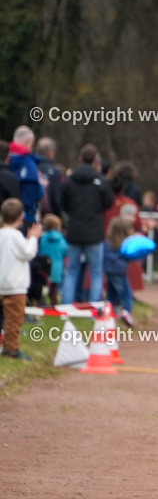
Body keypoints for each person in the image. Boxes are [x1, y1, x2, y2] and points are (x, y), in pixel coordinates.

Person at [59, 144, 115, 304]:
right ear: (95, 161)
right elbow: (109, 202)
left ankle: (66, 307)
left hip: (74, 230)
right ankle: (95, 308)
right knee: (96, 272)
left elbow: (63, 203)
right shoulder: (101, 181)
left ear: (80, 158)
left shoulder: (70, 180)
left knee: (71, 270)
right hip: (94, 232)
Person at [0, 198, 42, 360]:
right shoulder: (16, 235)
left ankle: (5, 345)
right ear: (21, 217)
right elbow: (28, 252)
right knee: (14, 319)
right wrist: (33, 238)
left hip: (2, 283)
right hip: (15, 285)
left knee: (5, 318)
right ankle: (11, 349)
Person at [8, 126, 42, 228]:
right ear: (28, 141)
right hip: (24, 217)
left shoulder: (6, 158)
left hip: (5, 214)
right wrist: (41, 187)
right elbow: (31, 192)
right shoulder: (28, 164)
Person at [104, 217, 135, 327]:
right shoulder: (125, 244)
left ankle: (110, 313)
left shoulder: (107, 242)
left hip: (108, 271)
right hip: (120, 272)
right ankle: (127, 312)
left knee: (111, 293)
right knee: (126, 293)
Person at [37, 214, 67, 305]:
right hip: (57, 267)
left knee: (42, 287)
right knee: (54, 288)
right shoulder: (61, 239)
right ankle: (54, 304)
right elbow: (65, 251)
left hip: (44, 266)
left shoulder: (43, 238)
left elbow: (39, 250)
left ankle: (41, 303)